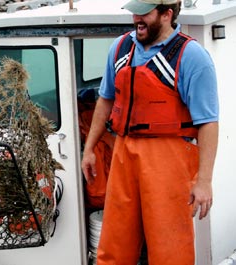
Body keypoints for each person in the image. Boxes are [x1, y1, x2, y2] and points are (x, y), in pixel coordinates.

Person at [80, 0, 219, 264]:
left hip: (169, 160)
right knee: (114, 243)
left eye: (144, 12)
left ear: (167, 14)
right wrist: (89, 148)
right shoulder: (120, 48)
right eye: (135, 12)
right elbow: (106, 100)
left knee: (170, 248)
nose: (136, 18)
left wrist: (204, 180)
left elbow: (208, 123)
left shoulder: (191, 56)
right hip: (124, 153)